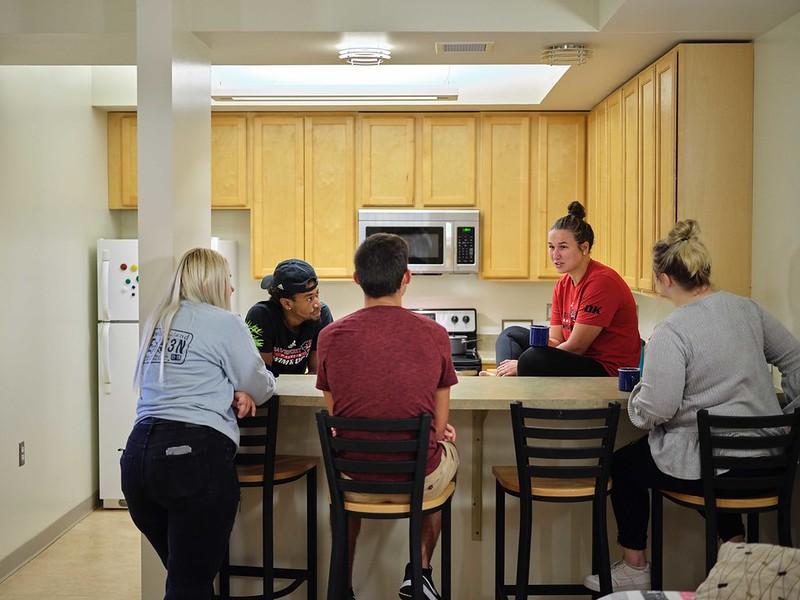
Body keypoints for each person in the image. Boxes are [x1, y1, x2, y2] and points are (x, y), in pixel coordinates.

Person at [583, 220, 800, 593]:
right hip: (769, 462)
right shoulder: (747, 309)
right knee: (705, 459)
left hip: (718, 467)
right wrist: (789, 416)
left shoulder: (673, 331)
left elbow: (657, 410)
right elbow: (794, 357)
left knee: (627, 464)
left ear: (664, 278)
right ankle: (734, 549)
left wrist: (636, 396)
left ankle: (635, 565)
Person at [121, 248, 276, 600]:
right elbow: (259, 384)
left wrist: (228, 385)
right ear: (213, 283)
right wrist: (244, 387)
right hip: (191, 459)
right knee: (189, 581)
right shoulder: (225, 323)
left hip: (137, 462)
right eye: (228, 281)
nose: (232, 290)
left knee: (185, 577)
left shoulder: (157, 320)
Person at [315, 233, 459, 600]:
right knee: (445, 456)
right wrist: (434, 432)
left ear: (357, 279)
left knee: (345, 472)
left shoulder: (329, 337)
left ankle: (341, 583)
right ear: (406, 278)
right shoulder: (436, 334)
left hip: (354, 475)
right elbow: (441, 427)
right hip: (417, 476)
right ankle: (420, 572)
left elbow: (337, 418)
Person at [492, 201, 640, 377]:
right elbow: (556, 340)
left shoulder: (602, 282)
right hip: (575, 359)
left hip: (605, 370)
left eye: (562, 247)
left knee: (532, 358)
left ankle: (507, 377)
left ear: (584, 248)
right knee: (511, 334)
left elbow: (576, 347)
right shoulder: (563, 285)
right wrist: (532, 359)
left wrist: (525, 364)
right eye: (551, 247)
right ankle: (506, 377)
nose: (555, 255)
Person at [245, 258, 333, 375]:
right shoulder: (261, 317)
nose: (317, 304)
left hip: (299, 388)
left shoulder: (321, 314)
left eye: (317, 294)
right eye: (309, 298)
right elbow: (261, 375)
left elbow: (316, 373)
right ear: (287, 303)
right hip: (268, 388)